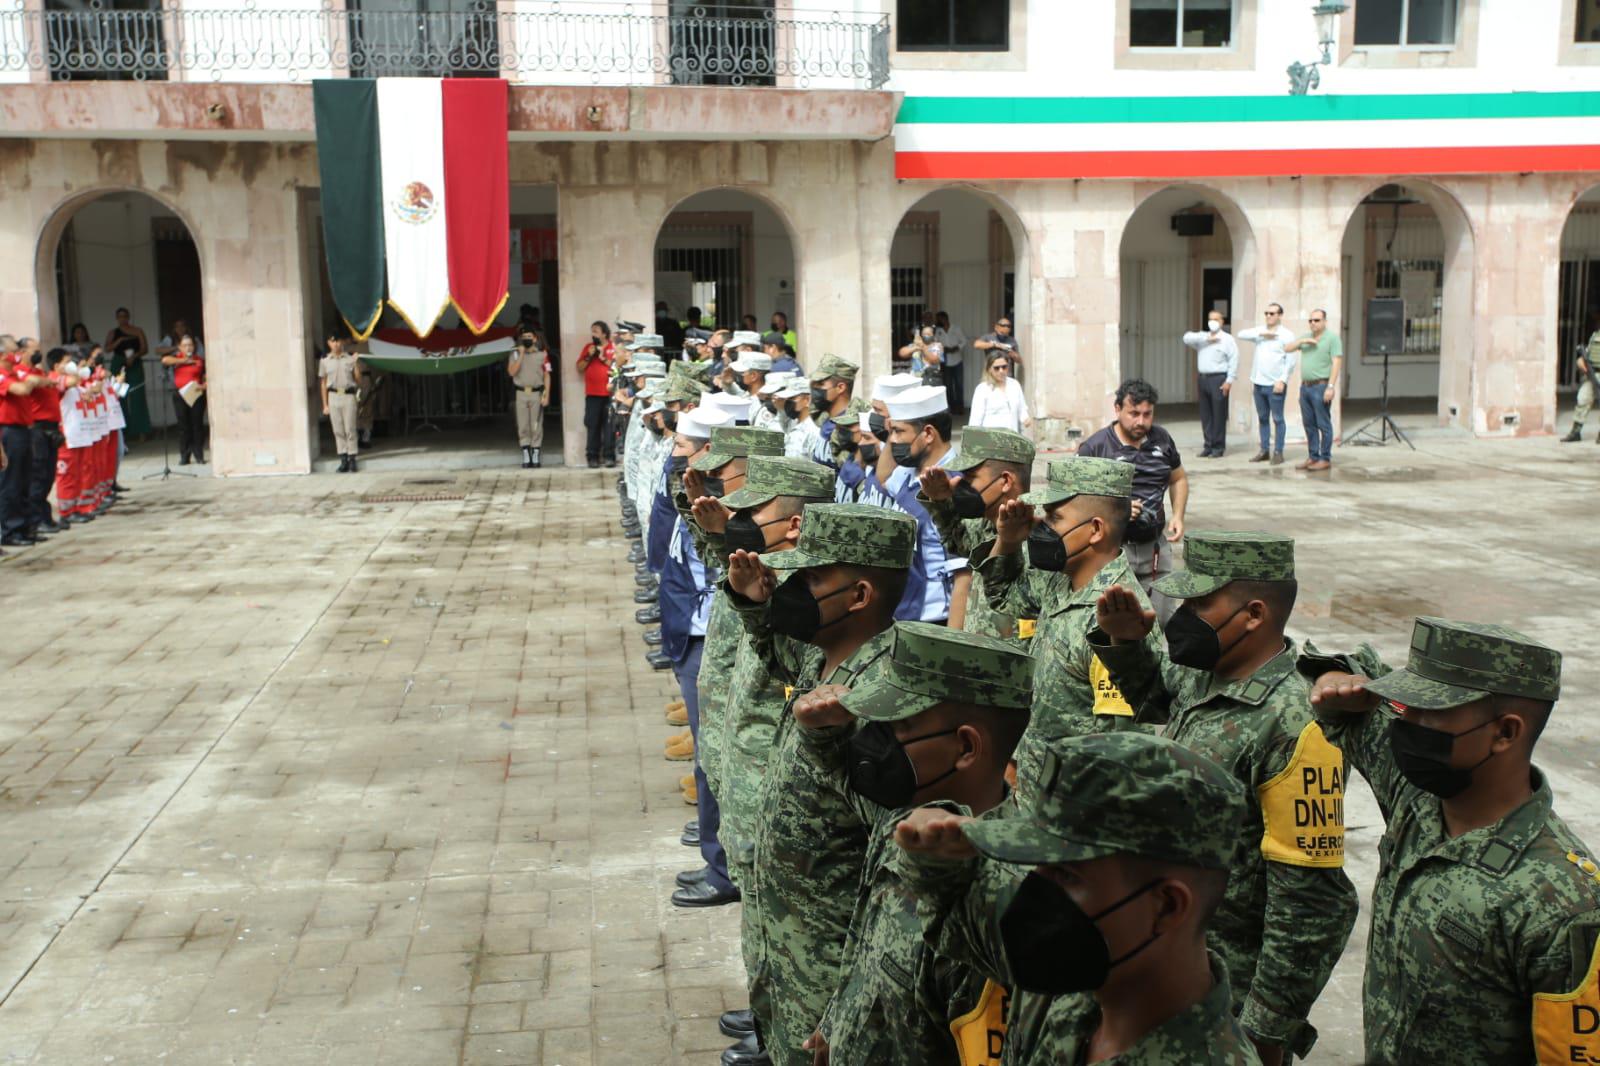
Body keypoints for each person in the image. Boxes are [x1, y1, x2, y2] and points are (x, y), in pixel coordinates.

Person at [1089, 532, 1358, 1063]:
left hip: (1228, 994)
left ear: (1254, 614)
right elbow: (1158, 696)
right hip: (1171, 962)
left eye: (1198, 603)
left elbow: (1310, 901)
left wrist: (1266, 1029)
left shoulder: (1296, 725)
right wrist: (1125, 644)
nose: (1182, 614)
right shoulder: (1204, 671)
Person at [1305, 618, 1600, 1065]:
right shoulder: (1419, 799)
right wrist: (1334, 683)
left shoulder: (1563, 903)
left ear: (1506, 732)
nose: (1408, 724)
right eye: (1408, 707)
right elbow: (1339, 702)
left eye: (1432, 711)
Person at [892, 731, 1259, 1064]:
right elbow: (960, 909)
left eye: (1066, 874)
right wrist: (935, 851)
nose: (1035, 891)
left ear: (1166, 906)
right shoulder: (1073, 979)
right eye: (1038, 863)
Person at [722, 504, 917, 1066]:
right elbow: (774, 654)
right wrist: (759, 607)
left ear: (858, 597)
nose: (792, 587)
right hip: (788, 959)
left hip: (828, 983)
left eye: (809, 579)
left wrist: (847, 1011)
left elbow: (893, 883)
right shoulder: (827, 659)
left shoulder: (880, 704)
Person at [797, 622, 1034, 1066]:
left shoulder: (996, 901)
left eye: (897, 728)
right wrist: (841, 1021)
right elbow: (868, 943)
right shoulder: (907, 820)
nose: (873, 740)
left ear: (965, 747)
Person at [696, 456, 837, 1065]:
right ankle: (765, 1017)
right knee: (759, 916)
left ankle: (778, 1031)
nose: (745, 520)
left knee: (779, 926)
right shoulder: (761, 573)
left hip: (767, 775)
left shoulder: (800, 595)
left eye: (758, 513)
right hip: (743, 762)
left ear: (797, 523)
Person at [979, 457, 1165, 805]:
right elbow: (1003, 597)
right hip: (1035, 797)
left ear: (1095, 530)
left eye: (1054, 517)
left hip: (1074, 815)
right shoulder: (1060, 581)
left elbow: (1124, 749)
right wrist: (1007, 541)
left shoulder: (1116, 617)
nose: (1041, 526)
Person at [677, 426, 786, 929]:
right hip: (726, 696)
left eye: (724, 470)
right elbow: (715, 570)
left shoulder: (784, 562)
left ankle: (727, 874)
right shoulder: (745, 535)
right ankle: (725, 867)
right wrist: (710, 523)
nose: (717, 479)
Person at [1076, 379, 1187, 624]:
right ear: (1117, 409)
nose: (1141, 421)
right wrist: (1118, 510)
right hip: (1112, 549)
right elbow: (1074, 504)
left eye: (1147, 414)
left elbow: (1178, 478)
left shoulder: (1162, 439)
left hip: (1156, 547)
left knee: (1162, 622)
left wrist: (1178, 515)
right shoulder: (1095, 448)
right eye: (1134, 413)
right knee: (1112, 624)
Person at [917, 426, 1035, 639]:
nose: (959, 484)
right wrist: (941, 501)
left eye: (970, 477)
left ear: (1006, 481)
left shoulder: (1037, 540)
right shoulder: (986, 523)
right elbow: (957, 542)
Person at [865, 384, 964, 624]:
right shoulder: (909, 473)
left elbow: (963, 573)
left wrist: (953, 643)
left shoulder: (954, 483)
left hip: (934, 620)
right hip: (903, 613)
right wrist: (893, 423)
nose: (893, 440)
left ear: (928, 434)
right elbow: (884, 478)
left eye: (899, 432)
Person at [1237, 305, 1296, 465]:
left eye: (1272, 313)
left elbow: (1291, 361)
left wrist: (1282, 380)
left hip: (1275, 384)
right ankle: (1264, 450)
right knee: (1263, 418)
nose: (1269, 316)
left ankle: (1278, 451)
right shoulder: (1260, 332)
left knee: (1277, 419)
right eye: (1267, 313)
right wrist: (1261, 333)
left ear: (1280, 315)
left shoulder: (1286, 335)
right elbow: (1241, 334)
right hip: (1258, 383)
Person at [27, 348, 74, 537]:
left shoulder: (41, 374)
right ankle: (36, 520)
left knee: (47, 476)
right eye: (32, 349)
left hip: (52, 428)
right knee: (38, 476)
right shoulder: (26, 374)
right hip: (37, 428)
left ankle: (44, 517)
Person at [0, 343, 42, 546]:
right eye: (13, 351)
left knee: (26, 480)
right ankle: (11, 530)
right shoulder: (2, 375)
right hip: (10, 431)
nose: (17, 355)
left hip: (25, 430)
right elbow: (21, 390)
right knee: (12, 482)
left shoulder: (16, 374)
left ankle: (26, 527)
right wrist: (32, 380)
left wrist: (32, 380)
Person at [1290, 311, 1342, 472]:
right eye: (1310, 320)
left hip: (1321, 386)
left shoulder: (1332, 339)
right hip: (1305, 387)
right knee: (1309, 423)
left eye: (1317, 320)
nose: (1313, 323)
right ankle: (1313, 456)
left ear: (1324, 321)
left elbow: (1336, 362)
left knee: (1323, 423)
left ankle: (1325, 457)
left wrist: (1331, 387)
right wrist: (1303, 340)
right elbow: (1287, 348)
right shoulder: (1306, 337)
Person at [1182, 311, 1238, 458]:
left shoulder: (1227, 340)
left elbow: (1234, 360)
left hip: (1218, 379)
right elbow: (1186, 338)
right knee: (1206, 414)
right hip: (1203, 379)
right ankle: (1208, 445)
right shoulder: (1202, 338)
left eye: (1216, 319)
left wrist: (1229, 381)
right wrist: (1207, 338)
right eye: (1210, 319)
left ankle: (1218, 447)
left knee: (1218, 414)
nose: (1212, 322)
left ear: (1222, 321)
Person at [103, 307, 151, 440]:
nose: (122, 319)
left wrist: (134, 356)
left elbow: (145, 348)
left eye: (125, 316)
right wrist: (119, 341)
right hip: (118, 361)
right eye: (120, 316)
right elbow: (107, 348)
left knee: (137, 395)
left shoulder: (137, 330)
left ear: (128, 317)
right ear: (117, 318)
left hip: (134, 361)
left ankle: (141, 430)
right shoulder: (113, 332)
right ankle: (122, 430)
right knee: (118, 395)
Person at [508, 327, 552, 469]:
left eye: (529, 336)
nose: (526, 339)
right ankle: (526, 452)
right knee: (523, 424)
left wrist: (546, 395)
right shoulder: (514, 354)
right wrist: (521, 354)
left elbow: (547, 375)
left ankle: (535, 452)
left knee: (536, 424)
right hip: (521, 392)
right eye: (524, 336)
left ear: (534, 339)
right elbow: (512, 372)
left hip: (536, 392)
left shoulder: (542, 355)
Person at [315, 335, 360, 472]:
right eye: (333, 341)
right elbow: (323, 384)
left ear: (343, 342)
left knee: (350, 428)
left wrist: (356, 363)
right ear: (329, 343)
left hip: (348, 395)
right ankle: (343, 459)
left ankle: (352, 458)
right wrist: (325, 405)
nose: (336, 344)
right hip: (333, 396)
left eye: (338, 341)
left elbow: (358, 380)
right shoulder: (325, 361)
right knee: (338, 429)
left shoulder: (350, 358)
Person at [162, 334, 208, 466]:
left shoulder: (199, 360)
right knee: (183, 426)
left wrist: (203, 386)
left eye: (190, 345)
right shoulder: (176, 359)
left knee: (197, 425)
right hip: (180, 395)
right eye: (185, 345)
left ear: (194, 346)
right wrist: (184, 361)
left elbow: (206, 378)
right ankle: (184, 456)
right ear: (180, 347)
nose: (188, 347)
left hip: (195, 393)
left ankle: (199, 455)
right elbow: (164, 360)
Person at [807, 354, 859, 468]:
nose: (814, 388)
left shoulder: (850, 428)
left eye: (821, 384)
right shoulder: (825, 420)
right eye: (813, 384)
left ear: (840, 387)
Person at [578, 321, 617, 468]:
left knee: (609, 426)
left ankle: (609, 456)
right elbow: (579, 368)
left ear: (604, 333)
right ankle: (592, 456)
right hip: (592, 395)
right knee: (592, 425)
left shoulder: (613, 348)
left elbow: (618, 369)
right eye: (592, 331)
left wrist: (602, 358)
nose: (593, 334)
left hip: (609, 395)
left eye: (596, 331)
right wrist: (589, 356)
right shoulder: (588, 348)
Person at [966, 351, 1032, 434]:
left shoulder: (1014, 385)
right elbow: (975, 419)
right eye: (996, 368)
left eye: (1004, 367)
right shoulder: (982, 389)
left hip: (1012, 438)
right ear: (989, 369)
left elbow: (1022, 408)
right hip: (991, 441)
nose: (1001, 371)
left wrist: (1025, 418)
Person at [1563, 322, 1600, 443]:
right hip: (1592, 373)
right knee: (1583, 399)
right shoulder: (1595, 335)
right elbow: (1588, 353)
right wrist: (1581, 361)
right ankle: (1576, 431)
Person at [935, 311, 968, 414]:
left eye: (939, 319)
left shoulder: (956, 328)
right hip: (945, 362)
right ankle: (951, 407)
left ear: (945, 318)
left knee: (958, 385)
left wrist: (956, 348)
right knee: (948, 386)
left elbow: (964, 340)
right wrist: (942, 349)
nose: (938, 321)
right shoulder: (938, 331)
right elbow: (936, 344)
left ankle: (960, 407)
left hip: (957, 360)